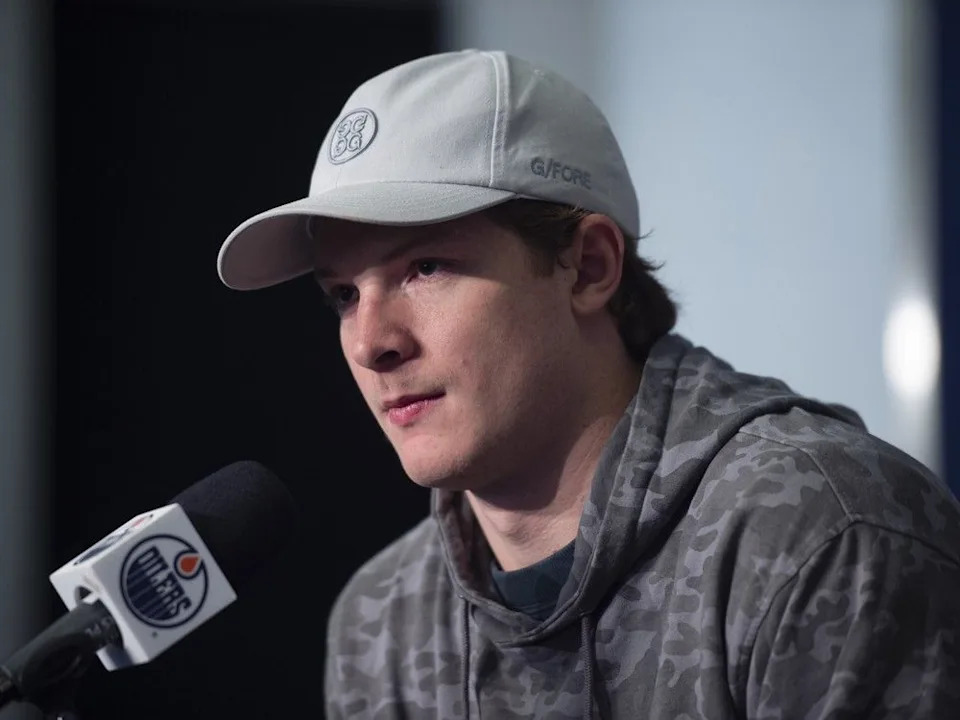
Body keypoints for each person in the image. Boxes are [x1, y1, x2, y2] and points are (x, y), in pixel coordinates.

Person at [216, 50, 960, 719]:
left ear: (591, 267)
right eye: (344, 294)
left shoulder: (822, 534)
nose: (372, 342)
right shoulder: (382, 622)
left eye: (425, 268)